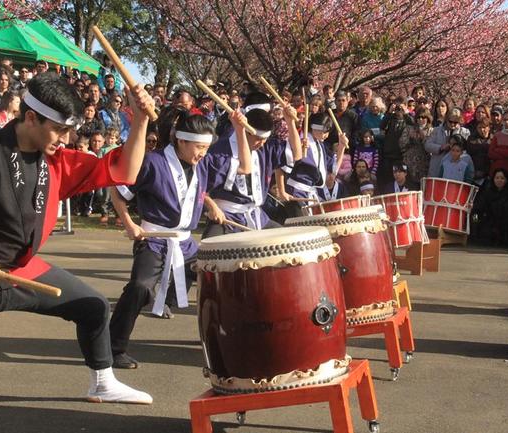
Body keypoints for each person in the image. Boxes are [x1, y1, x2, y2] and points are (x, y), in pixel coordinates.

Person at [0, 72, 154, 404]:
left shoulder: (57, 163)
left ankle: (102, 383)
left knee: (93, 306)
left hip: (19, 271)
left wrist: (140, 121)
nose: (65, 139)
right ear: (31, 117)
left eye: (69, 131)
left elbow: (126, 172)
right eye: (59, 129)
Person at [108, 111, 252, 369]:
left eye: (207, 148)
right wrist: (129, 224)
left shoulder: (204, 165)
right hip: (154, 240)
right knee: (140, 288)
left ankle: (227, 342)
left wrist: (239, 129)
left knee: (221, 281)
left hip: (186, 244)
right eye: (199, 147)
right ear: (181, 141)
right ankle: (112, 347)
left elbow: (244, 166)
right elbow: (118, 190)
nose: (203, 153)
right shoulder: (152, 162)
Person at [202, 93, 302, 235]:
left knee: (288, 243)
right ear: (246, 132)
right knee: (210, 247)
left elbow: (297, 154)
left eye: (264, 139)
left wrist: (290, 121)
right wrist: (212, 206)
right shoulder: (220, 150)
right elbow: (199, 186)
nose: (261, 143)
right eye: (258, 138)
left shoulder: (265, 147)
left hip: (258, 217)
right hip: (227, 216)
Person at [278, 112, 348, 217]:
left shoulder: (320, 145)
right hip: (296, 192)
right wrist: (282, 191)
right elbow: (280, 166)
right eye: (325, 131)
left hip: (310, 194)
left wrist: (341, 147)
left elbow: (333, 170)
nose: (327, 135)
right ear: (314, 128)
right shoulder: (300, 142)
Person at [425, 108, 470, 178]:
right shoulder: (437, 130)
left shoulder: (464, 132)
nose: (452, 124)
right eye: (450, 121)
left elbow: (466, 150)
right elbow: (427, 145)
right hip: (437, 166)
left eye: (455, 122)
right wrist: (440, 147)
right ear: (446, 119)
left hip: (455, 170)